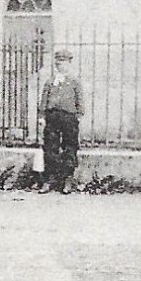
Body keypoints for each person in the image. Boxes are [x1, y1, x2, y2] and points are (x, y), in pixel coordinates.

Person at [38, 49, 84, 194]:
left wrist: (79, 115)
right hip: (52, 117)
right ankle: (49, 179)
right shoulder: (50, 81)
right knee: (50, 147)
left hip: (69, 118)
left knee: (70, 147)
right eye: (58, 62)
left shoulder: (75, 81)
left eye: (63, 61)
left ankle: (67, 179)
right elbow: (44, 100)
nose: (60, 64)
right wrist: (41, 116)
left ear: (69, 63)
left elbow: (80, 100)